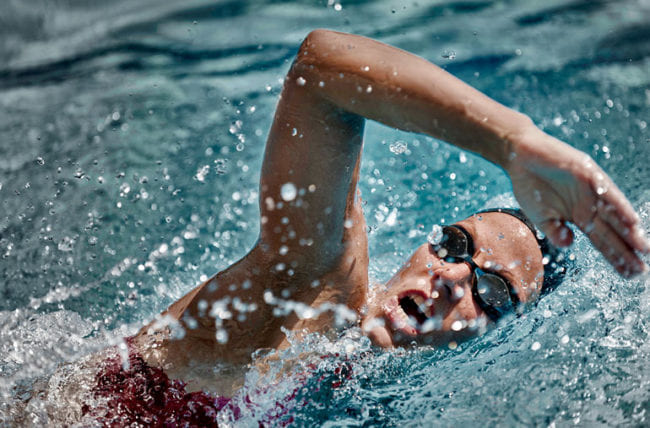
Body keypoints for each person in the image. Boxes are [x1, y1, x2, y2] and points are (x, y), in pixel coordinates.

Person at [124, 29, 648, 397]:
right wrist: (513, 141)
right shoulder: (316, 288)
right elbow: (321, 69)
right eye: (458, 246)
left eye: (492, 293)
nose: (451, 278)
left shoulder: (368, 391)